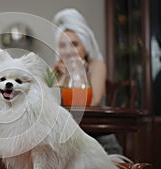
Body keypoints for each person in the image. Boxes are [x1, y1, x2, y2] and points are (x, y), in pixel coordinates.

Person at [52, 8, 123, 154]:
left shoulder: (97, 65)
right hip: (66, 144)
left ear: (85, 45)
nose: (68, 51)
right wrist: (65, 76)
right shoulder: (56, 71)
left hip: (100, 143)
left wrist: (78, 74)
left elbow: (92, 102)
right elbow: (49, 106)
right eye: (62, 45)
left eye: (74, 44)